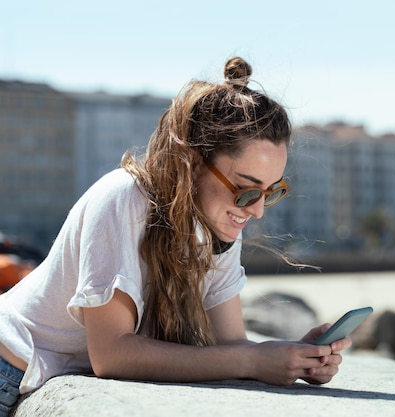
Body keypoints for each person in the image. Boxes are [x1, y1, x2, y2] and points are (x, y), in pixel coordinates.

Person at [0, 57, 350, 416]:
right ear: (193, 163)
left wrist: (290, 358)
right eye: (246, 191)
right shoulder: (126, 199)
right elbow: (111, 354)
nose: (257, 210)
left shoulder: (220, 222)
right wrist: (252, 360)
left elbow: (228, 346)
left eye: (270, 192)